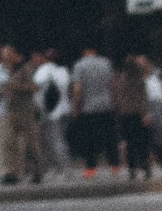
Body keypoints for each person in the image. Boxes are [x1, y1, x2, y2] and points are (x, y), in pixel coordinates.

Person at [0, 45, 37, 184]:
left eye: (10, 53)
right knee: (5, 143)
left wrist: (15, 87)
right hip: (3, 110)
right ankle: (8, 173)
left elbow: (34, 87)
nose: (8, 56)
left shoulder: (23, 69)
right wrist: (0, 91)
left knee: (30, 143)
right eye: (5, 53)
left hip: (24, 110)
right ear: (0, 56)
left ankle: (34, 171)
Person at [68, 45, 118, 176]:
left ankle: (90, 168)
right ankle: (114, 165)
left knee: (89, 138)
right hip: (107, 105)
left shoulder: (79, 65)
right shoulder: (106, 63)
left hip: (88, 107)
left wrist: (75, 107)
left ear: (84, 51)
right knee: (110, 137)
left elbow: (77, 88)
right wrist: (115, 102)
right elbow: (113, 84)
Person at [29, 47, 73, 177]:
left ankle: (61, 168)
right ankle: (61, 168)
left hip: (50, 113)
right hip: (65, 110)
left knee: (52, 142)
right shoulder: (63, 71)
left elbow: (35, 89)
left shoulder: (42, 72)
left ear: (42, 57)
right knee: (60, 140)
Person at [113, 54, 151, 181]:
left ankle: (132, 168)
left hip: (126, 115)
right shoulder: (140, 81)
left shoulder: (122, 81)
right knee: (142, 141)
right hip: (139, 114)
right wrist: (145, 113)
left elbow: (118, 98)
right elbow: (144, 98)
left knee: (129, 142)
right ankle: (145, 165)